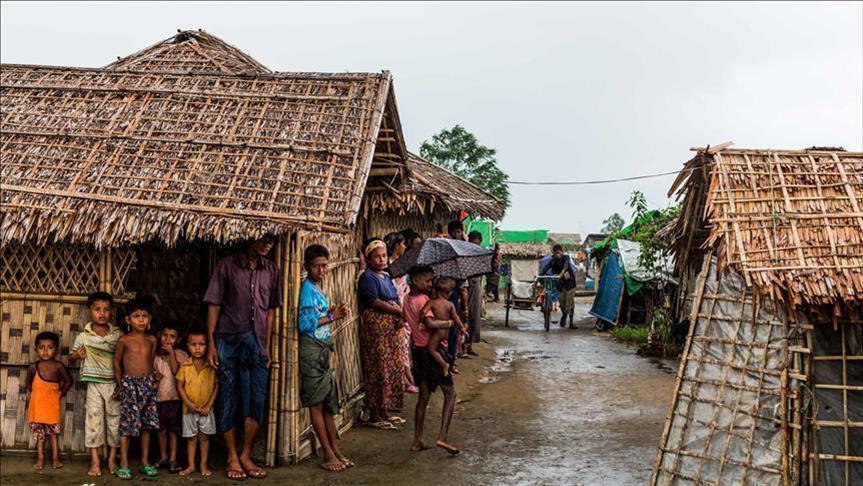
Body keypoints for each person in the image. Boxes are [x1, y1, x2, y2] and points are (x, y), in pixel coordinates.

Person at [204, 234, 281, 480]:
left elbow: (271, 311)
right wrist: (211, 344)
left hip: (257, 343)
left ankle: (246, 454)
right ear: (250, 237)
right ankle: (232, 456)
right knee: (228, 396)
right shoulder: (226, 266)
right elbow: (214, 305)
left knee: (256, 399)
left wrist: (266, 347)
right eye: (263, 239)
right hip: (228, 340)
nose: (267, 244)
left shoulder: (272, 270)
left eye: (271, 240)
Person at [298, 244, 354, 472]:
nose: (321, 270)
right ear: (307, 266)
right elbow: (304, 324)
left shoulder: (316, 288)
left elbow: (317, 316)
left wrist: (331, 313)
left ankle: (335, 451)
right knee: (316, 403)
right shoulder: (307, 290)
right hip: (312, 351)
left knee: (327, 405)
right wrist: (332, 316)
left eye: (324, 266)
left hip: (321, 350)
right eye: (316, 266)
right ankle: (328, 454)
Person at [403, 266, 461, 455]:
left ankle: (417, 440)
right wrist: (449, 323)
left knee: (423, 397)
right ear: (415, 280)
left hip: (418, 352)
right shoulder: (423, 300)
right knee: (450, 394)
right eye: (427, 280)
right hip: (433, 352)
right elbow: (429, 323)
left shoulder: (407, 299)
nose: (430, 284)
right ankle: (442, 436)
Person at [68, 291, 122, 477]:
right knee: (93, 421)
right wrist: (76, 355)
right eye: (97, 309)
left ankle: (112, 459)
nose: (102, 313)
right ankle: (95, 461)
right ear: (90, 311)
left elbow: (125, 359)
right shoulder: (83, 336)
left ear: (112, 312)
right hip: (94, 386)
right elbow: (70, 358)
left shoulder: (118, 335)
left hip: (114, 385)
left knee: (115, 422)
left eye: (106, 309)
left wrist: (122, 383)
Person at [357, 239, 406, 428]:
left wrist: (400, 311)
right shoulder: (367, 278)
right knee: (378, 368)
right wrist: (397, 311)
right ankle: (375, 413)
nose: (382, 259)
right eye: (377, 257)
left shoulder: (385, 276)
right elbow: (373, 301)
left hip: (391, 331)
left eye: (384, 255)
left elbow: (394, 296)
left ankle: (385, 409)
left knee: (391, 368)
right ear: (369, 259)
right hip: (377, 332)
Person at [113, 297, 160, 480]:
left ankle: (145, 461)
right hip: (129, 385)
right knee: (127, 425)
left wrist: (153, 379)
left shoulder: (152, 340)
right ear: (128, 320)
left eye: (144, 316)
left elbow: (151, 360)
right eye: (136, 316)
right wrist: (120, 384)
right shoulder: (124, 340)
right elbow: (117, 363)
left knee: (147, 425)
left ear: (149, 319)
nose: (141, 320)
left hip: (148, 385)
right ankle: (124, 464)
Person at [26, 331, 73, 470]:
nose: (45, 351)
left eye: (50, 347)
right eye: (41, 347)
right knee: (40, 436)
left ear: (56, 350)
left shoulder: (58, 366)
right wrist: (38, 395)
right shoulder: (33, 367)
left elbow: (69, 381)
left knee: (53, 435)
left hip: (52, 408)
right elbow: (29, 384)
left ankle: (55, 459)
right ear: (36, 349)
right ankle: (40, 459)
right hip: (37, 409)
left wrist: (61, 393)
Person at [176, 330, 219, 477]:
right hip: (188, 409)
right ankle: (191, 465)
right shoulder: (185, 365)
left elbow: (216, 386)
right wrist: (188, 403)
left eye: (202, 344)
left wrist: (209, 405)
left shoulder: (211, 365)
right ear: (187, 346)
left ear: (208, 345)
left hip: (206, 409)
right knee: (191, 438)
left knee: (204, 438)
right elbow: (179, 386)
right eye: (193, 344)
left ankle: (203, 464)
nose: (198, 348)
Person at [153, 324, 188, 473]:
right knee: (161, 430)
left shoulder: (180, 354)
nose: (167, 339)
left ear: (178, 340)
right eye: (164, 335)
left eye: (172, 337)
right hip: (159, 399)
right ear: (159, 336)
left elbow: (175, 371)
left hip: (174, 399)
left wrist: (171, 353)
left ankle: (173, 459)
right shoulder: (155, 355)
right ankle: (164, 457)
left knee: (173, 430)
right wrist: (155, 378)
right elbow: (151, 376)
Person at [385, 231, 417, 394]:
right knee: (401, 345)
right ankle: (406, 379)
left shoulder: (401, 263)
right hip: (397, 307)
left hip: (404, 306)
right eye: (403, 243)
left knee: (403, 344)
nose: (405, 246)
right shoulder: (391, 266)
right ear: (396, 245)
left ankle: (405, 378)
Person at [422, 277, 467, 377]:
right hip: (446, 333)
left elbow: (424, 312)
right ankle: (447, 365)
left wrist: (420, 321)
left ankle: (444, 365)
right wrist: (462, 328)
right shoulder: (450, 304)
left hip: (438, 332)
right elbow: (456, 318)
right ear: (448, 293)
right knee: (443, 349)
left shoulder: (431, 302)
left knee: (431, 349)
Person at [446, 220, 469, 360]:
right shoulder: (455, 252)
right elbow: (463, 286)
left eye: (460, 232)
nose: (459, 235)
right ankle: (449, 360)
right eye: (458, 232)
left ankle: (450, 360)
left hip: (450, 294)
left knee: (451, 329)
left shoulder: (449, 250)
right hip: (451, 294)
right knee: (451, 329)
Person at [542, 244, 579, 328]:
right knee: (562, 303)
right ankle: (564, 315)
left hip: (570, 284)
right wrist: (540, 276)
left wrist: (561, 273)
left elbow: (566, 266)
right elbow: (546, 268)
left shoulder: (566, 258)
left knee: (569, 303)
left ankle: (571, 323)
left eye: (559, 252)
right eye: (556, 253)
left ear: (562, 252)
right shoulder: (552, 260)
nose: (558, 255)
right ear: (554, 253)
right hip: (560, 284)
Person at [466, 231, 484, 355]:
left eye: (477, 244)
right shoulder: (464, 254)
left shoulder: (481, 255)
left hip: (475, 285)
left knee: (474, 315)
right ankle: (463, 346)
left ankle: (469, 345)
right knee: (465, 315)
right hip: (466, 286)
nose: (475, 246)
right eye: (473, 243)